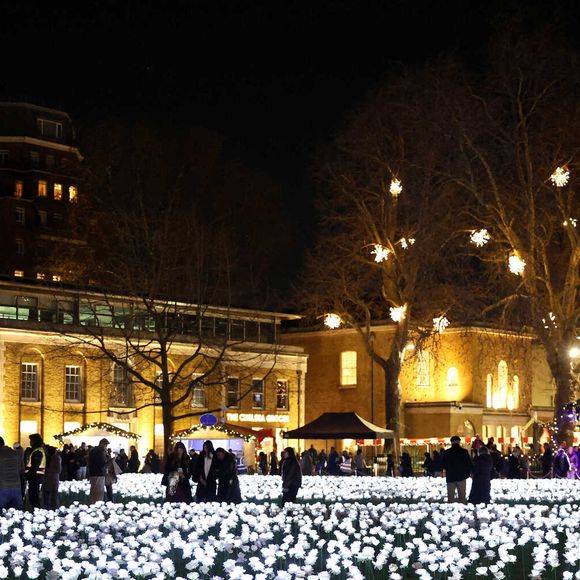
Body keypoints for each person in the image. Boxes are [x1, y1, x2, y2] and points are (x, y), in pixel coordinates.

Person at [442, 435, 472, 503]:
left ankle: (450, 510)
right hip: (462, 476)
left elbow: (443, 464)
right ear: (459, 442)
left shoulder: (447, 452)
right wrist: (468, 473)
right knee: (462, 497)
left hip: (450, 477)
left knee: (450, 498)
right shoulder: (464, 452)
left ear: (451, 442)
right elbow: (469, 464)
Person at [0, 437, 23, 510]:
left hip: (2, 487)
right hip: (16, 486)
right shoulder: (14, 453)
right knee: (16, 514)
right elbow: (21, 469)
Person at [25, 433, 46, 509]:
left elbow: (34, 467)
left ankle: (36, 512)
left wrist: (27, 475)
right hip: (36, 477)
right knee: (34, 497)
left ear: (34, 441)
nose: (30, 442)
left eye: (31, 441)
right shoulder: (38, 450)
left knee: (33, 497)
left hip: (34, 478)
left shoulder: (37, 451)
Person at [88, 438, 110, 504]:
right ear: (102, 444)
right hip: (99, 474)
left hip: (93, 474)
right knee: (98, 493)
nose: (106, 447)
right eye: (105, 445)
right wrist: (110, 460)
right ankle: (96, 506)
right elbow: (102, 464)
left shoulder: (93, 451)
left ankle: (93, 504)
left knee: (93, 492)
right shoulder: (99, 451)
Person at [42, 445, 61, 509]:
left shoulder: (55, 458)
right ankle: (50, 508)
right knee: (50, 495)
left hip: (52, 478)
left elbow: (58, 469)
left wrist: (48, 470)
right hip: (50, 479)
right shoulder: (49, 458)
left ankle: (53, 508)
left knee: (53, 495)